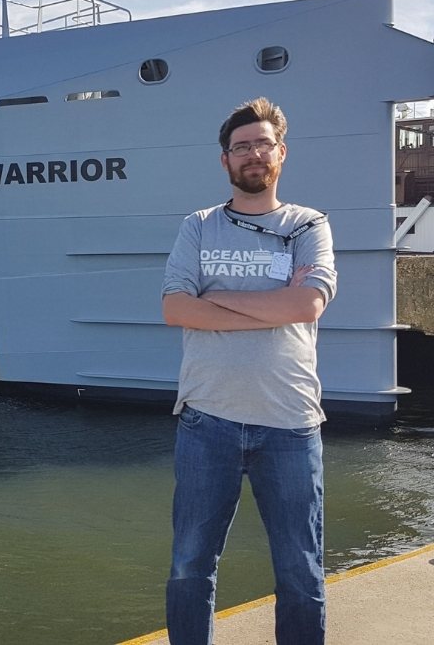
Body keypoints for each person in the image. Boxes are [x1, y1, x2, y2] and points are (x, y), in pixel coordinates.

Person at [161, 97, 337, 645]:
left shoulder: (309, 224)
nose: (252, 154)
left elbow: (307, 306)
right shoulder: (199, 226)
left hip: (290, 424)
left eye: (263, 144)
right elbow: (175, 309)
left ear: (281, 153)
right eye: (241, 147)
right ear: (225, 161)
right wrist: (274, 300)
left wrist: (218, 304)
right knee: (191, 566)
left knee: (300, 572)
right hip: (206, 421)